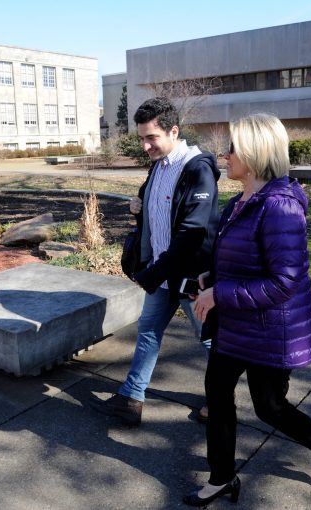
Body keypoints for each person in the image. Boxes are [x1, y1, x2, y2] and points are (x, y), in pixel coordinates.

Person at [182, 114, 311, 507]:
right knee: (218, 393)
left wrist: (220, 294)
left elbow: (284, 281)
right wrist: (212, 275)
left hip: (271, 329)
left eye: (232, 149)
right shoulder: (239, 202)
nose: (224, 156)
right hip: (235, 324)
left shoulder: (279, 207)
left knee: (270, 408)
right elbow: (242, 260)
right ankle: (221, 477)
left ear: (256, 154)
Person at [90, 97, 220, 426]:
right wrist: (140, 205)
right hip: (161, 274)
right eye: (142, 138)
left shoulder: (197, 169)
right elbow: (160, 208)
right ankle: (132, 398)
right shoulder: (158, 166)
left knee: (209, 340)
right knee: (148, 332)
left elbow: (192, 232)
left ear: (173, 131)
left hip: (193, 277)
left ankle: (221, 401)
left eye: (152, 137)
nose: (146, 145)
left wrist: (151, 274)